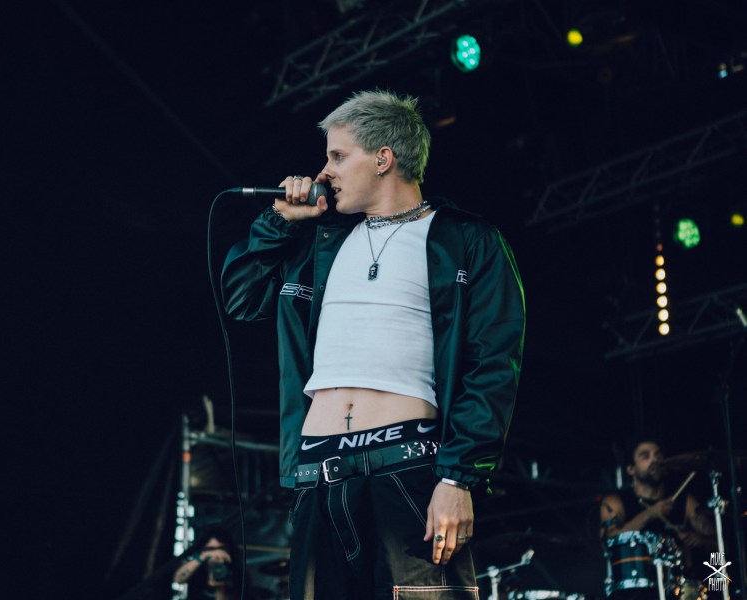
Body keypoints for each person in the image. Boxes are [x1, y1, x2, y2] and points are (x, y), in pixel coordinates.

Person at [221, 90, 525, 599]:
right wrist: (280, 221)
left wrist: (458, 480)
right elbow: (241, 298)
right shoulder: (318, 242)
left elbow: (493, 364)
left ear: (383, 158)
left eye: (338, 156)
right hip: (317, 471)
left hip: (408, 466)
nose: (324, 171)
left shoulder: (466, 241)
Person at [599, 439, 717, 598]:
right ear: (630, 469)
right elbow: (609, 541)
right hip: (634, 592)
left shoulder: (684, 501)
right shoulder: (615, 502)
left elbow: (720, 545)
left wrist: (701, 540)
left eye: (658, 455)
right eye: (645, 456)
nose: (655, 460)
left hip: (680, 589)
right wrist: (650, 514)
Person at [173, 527, 244, 600]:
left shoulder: (237, 571)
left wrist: (220, 588)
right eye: (210, 549)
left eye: (221, 548)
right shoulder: (197, 568)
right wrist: (202, 557)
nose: (216, 553)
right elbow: (178, 579)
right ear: (202, 550)